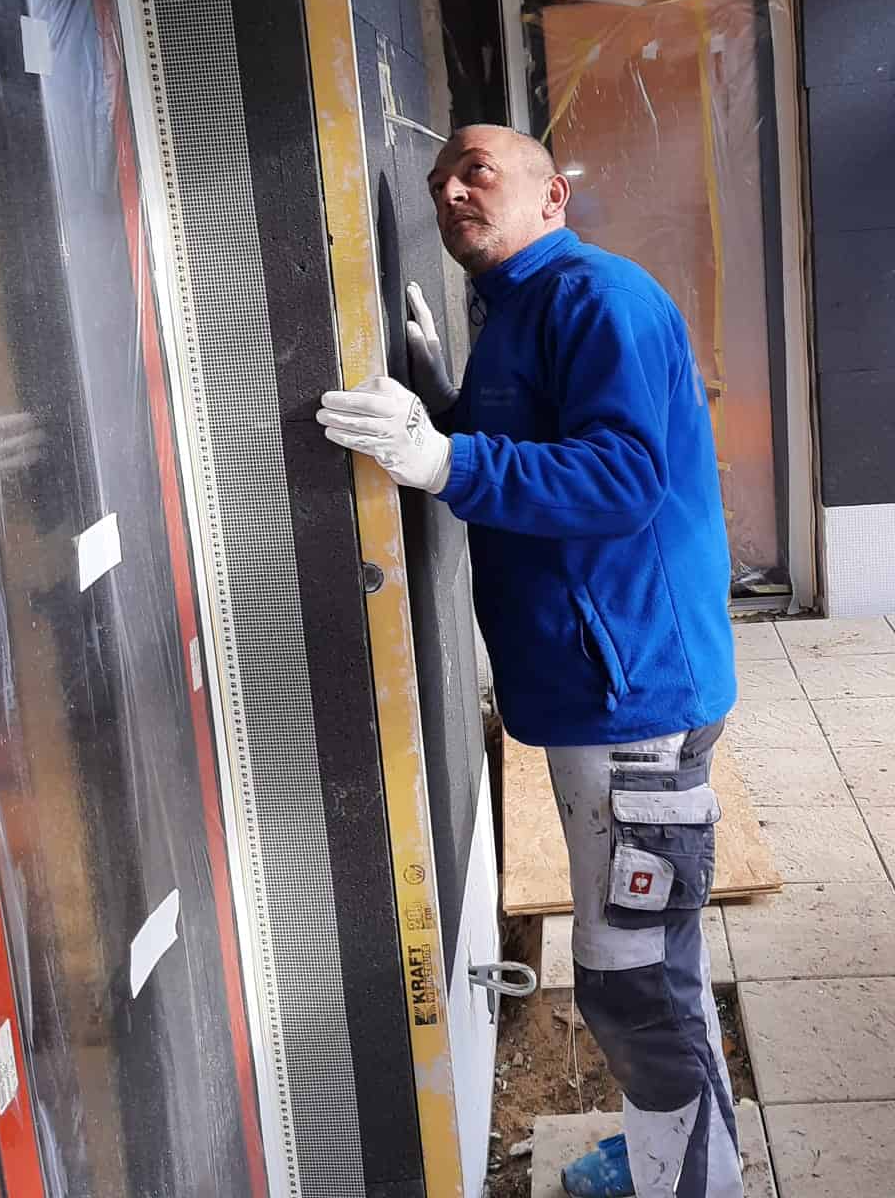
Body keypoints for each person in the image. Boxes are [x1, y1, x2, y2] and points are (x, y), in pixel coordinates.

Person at [316, 125, 740, 1198]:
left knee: (633, 980)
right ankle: (677, 1150)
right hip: (593, 685)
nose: (452, 191)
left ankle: (690, 1180)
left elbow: (621, 478)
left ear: (553, 196)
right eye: (439, 181)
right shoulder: (517, 307)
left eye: (478, 172)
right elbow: (543, 444)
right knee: (654, 965)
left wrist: (444, 455)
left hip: (632, 697)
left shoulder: (597, 298)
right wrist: (450, 409)